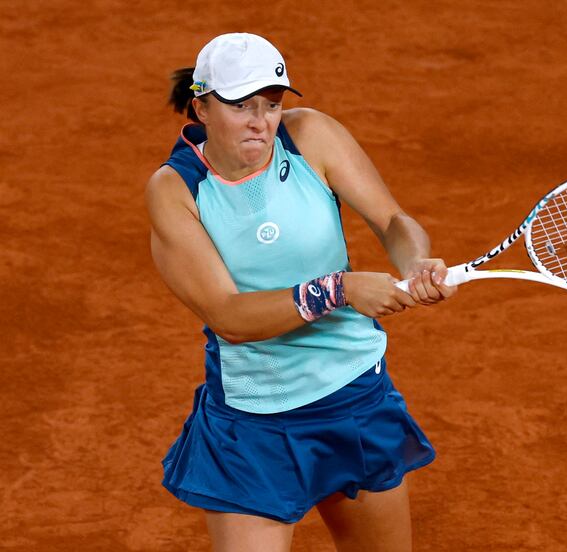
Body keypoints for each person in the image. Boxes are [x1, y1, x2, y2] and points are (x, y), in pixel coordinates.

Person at [146, 32, 456, 552]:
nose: (259, 120)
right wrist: (339, 289)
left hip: (355, 398)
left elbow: (393, 221)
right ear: (200, 105)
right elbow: (230, 317)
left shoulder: (312, 136)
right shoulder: (176, 191)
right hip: (254, 425)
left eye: (270, 105)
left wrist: (414, 261)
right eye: (240, 105)